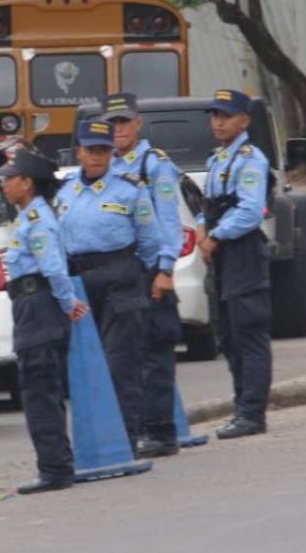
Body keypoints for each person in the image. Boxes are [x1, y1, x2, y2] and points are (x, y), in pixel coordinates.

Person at [55, 119, 162, 450]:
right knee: (85, 363)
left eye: (104, 150)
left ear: (112, 153)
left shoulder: (130, 189)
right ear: (79, 152)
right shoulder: (66, 191)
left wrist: (134, 275)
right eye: (91, 150)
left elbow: (151, 242)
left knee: (121, 362)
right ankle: (95, 438)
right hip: (79, 281)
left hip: (120, 276)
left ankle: (127, 436)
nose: (97, 157)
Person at [0, 149, 89, 494]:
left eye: (10, 178)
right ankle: (56, 464)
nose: (4, 185)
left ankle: (54, 469)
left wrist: (68, 303)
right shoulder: (29, 217)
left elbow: (52, 267)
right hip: (31, 305)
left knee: (39, 390)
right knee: (41, 388)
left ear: (27, 183)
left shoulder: (37, 221)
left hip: (39, 306)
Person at [104, 92, 184, 458]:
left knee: (155, 351)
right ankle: (139, 428)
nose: (117, 129)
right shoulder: (109, 165)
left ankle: (162, 432)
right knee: (128, 353)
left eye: (123, 122)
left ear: (137, 123)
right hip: (124, 270)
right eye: (112, 123)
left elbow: (168, 219)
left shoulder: (155, 164)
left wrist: (165, 269)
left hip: (151, 267)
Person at [198, 89, 272, 439]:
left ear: (244, 120)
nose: (218, 122)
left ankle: (252, 413)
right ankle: (241, 404)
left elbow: (250, 209)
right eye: (214, 116)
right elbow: (209, 203)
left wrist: (217, 236)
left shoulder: (250, 158)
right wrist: (202, 227)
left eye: (225, 116)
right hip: (222, 254)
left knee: (248, 333)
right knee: (226, 334)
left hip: (242, 251)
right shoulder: (217, 159)